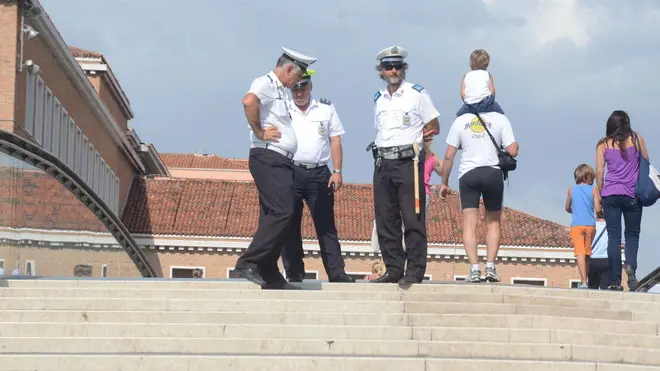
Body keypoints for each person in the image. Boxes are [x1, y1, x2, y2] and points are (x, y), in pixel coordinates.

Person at [234, 47, 317, 290]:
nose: (298, 81)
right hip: (268, 156)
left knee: (274, 214)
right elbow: (248, 101)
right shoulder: (266, 83)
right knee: (283, 211)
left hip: (280, 160)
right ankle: (249, 262)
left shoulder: (280, 90)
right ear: (289, 69)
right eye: (298, 75)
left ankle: (269, 272)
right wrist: (259, 131)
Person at [370, 45, 440, 285]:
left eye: (397, 66)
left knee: (413, 218)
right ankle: (393, 268)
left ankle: (415, 270)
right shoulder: (379, 98)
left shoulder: (416, 94)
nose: (393, 71)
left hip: (408, 162)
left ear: (404, 69)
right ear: (381, 71)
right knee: (386, 219)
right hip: (383, 161)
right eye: (389, 67)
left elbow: (434, 125)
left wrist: (420, 142)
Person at [280, 69, 355, 283]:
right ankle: (294, 271)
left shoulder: (325, 108)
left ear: (310, 87)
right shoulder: (283, 109)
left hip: (320, 173)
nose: (299, 92)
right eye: (295, 87)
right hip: (292, 171)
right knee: (289, 224)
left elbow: (335, 140)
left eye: (303, 87)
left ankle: (336, 272)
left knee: (325, 225)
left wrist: (338, 171)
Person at [439, 110, 519, 283]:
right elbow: (513, 150)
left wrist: (444, 182)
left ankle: (474, 269)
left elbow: (449, 155)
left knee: (469, 224)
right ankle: (490, 267)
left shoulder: (460, 121)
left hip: (468, 174)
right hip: (492, 173)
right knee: (493, 222)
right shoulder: (500, 119)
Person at [595, 110, 649, 291]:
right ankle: (631, 267)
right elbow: (646, 163)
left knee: (613, 238)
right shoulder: (637, 139)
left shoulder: (603, 144)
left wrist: (603, 194)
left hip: (611, 194)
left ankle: (615, 281)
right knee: (632, 234)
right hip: (632, 195)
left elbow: (600, 172)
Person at [368, 137, 442, 253]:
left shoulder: (417, 155)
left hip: (414, 191)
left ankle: (395, 249)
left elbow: (443, 171)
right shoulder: (430, 157)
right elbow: (444, 171)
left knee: (403, 222)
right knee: (411, 224)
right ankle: (403, 249)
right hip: (415, 191)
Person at [564, 164, 601, 289]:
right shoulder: (594, 189)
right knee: (586, 253)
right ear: (589, 176)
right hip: (590, 225)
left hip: (577, 225)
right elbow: (597, 208)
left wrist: (574, 211)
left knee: (579, 252)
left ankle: (583, 282)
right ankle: (585, 280)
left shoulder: (571, 189)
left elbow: (567, 207)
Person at [456, 49, 504, 117]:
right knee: (501, 114)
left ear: (471, 63)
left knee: (458, 115)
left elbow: (463, 94)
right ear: (487, 64)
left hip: (470, 105)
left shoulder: (465, 76)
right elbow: (492, 91)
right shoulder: (488, 75)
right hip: (486, 103)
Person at [588, 212, 611, 290]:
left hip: (592, 259)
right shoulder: (612, 227)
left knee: (592, 287)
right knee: (605, 288)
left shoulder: (591, 226)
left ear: (596, 215)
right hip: (606, 259)